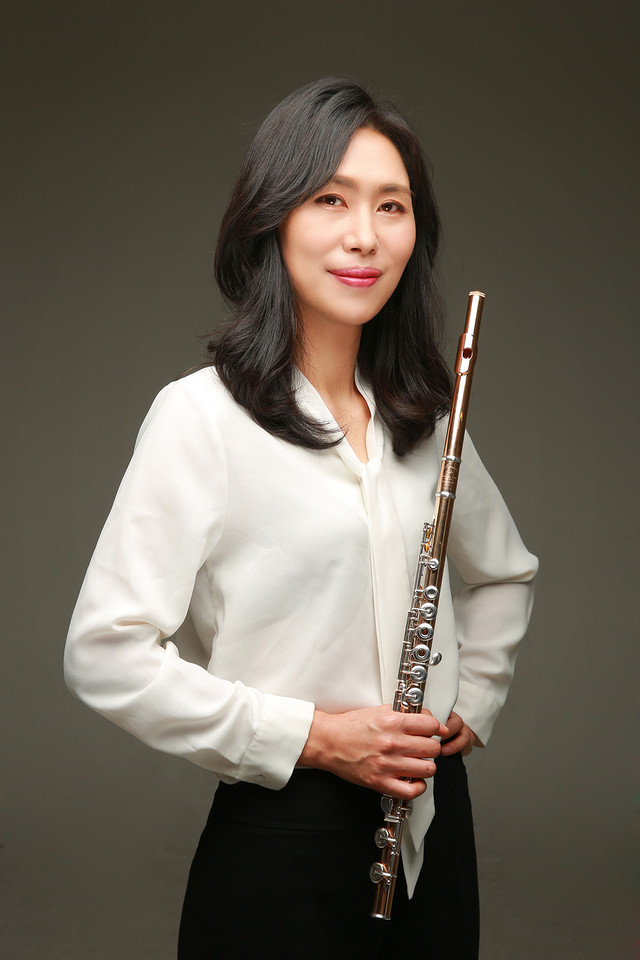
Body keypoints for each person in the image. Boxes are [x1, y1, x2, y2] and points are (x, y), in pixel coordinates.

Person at [64, 78, 538, 959]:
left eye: (391, 206)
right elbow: (104, 653)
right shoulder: (199, 418)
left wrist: (473, 698)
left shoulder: (425, 418)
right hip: (282, 839)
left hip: (433, 830)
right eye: (330, 200)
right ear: (272, 218)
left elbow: (505, 572)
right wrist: (314, 737)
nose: (365, 235)